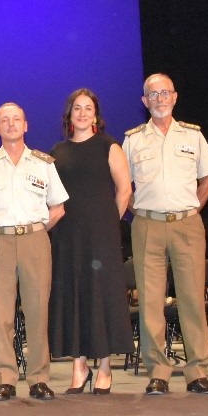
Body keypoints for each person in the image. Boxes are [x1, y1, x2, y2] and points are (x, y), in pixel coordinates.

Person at [0, 103, 67, 401]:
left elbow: (58, 207)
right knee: (1, 313)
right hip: (0, 243)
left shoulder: (44, 164)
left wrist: (36, 231)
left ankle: (38, 379)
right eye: (4, 121)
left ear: (26, 125)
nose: (10, 124)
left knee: (37, 311)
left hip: (35, 240)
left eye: (16, 119)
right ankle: (5, 378)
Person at [121, 73, 208, 396]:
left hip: (187, 224)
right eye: (153, 94)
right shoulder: (133, 140)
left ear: (175, 97)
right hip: (147, 225)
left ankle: (197, 370)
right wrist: (140, 211)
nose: (160, 99)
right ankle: (158, 371)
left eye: (165, 93)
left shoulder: (193, 136)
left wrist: (193, 210)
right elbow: (124, 186)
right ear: (144, 101)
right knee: (150, 301)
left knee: (192, 298)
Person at [48, 89, 133, 395]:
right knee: (74, 295)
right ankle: (79, 365)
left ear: (96, 115)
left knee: (102, 296)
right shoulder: (57, 151)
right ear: (69, 115)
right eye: (77, 109)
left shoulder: (109, 146)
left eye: (88, 108)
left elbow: (124, 190)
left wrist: (111, 222)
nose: (82, 113)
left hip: (101, 235)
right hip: (68, 236)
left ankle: (105, 367)